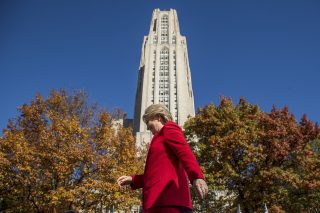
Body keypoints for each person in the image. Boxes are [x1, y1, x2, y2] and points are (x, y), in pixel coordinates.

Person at [117, 104, 208, 213]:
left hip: (168, 201)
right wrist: (133, 179)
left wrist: (196, 176)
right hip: (156, 202)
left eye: (148, 122)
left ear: (158, 117)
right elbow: (155, 175)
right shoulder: (158, 138)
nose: (147, 127)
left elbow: (185, 153)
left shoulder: (169, 129)